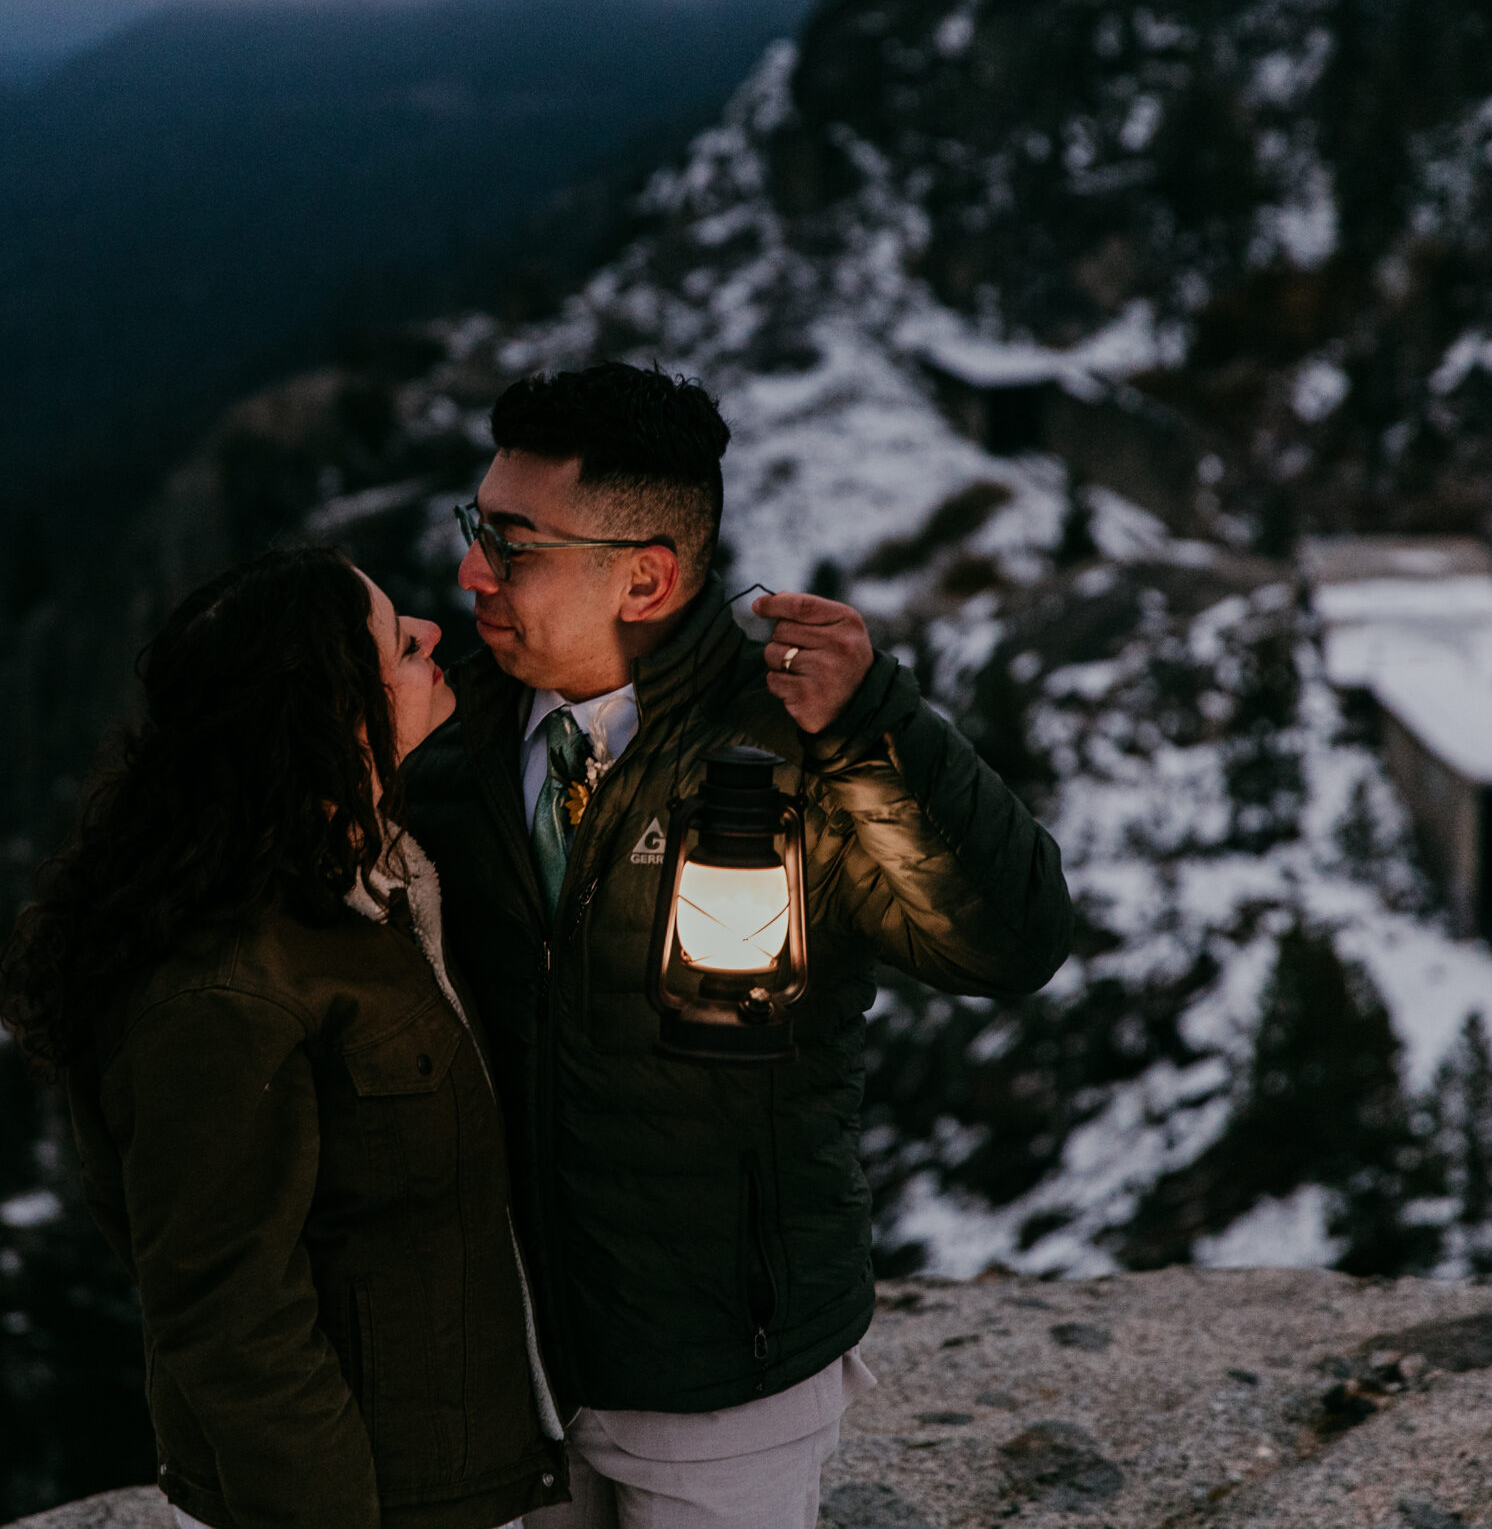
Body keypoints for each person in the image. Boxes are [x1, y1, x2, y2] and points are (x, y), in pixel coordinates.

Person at [405, 363, 1073, 1528]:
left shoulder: (796, 736)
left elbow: (1004, 944)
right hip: (505, 1363)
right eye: (476, 526)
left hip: (727, 1378)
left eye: (511, 542)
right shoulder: (447, 727)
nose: (471, 568)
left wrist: (877, 728)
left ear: (646, 576)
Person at [1, 545, 570, 1529]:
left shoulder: (376, 880)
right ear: (336, 716)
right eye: (398, 643)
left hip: (466, 1475)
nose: (431, 634)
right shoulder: (222, 989)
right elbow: (228, 1319)